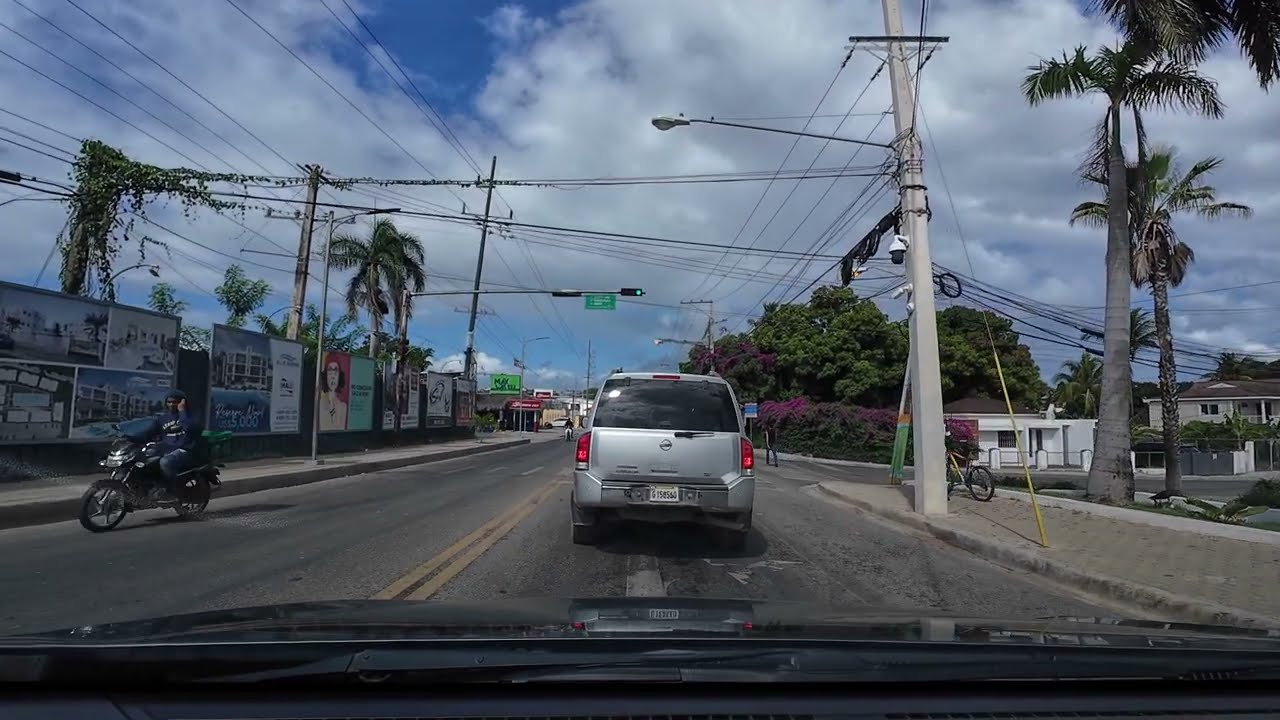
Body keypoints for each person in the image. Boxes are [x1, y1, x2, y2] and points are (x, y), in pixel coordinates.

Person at [156, 389, 202, 499]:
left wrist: (182, 411)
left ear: (183, 402)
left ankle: (172, 491)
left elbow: (189, 427)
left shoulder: (190, 416)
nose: (171, 404)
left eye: (175, 402)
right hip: (167, 449)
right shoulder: (162, 418)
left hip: (185, 450)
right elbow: (155, 433)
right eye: (169, 402)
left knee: (165, 462)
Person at [317, 359, 348, 431]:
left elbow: (339, 428)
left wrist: (333, 403)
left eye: (336, 373)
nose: (333, 377)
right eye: (330, 373)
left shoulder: (343, 406)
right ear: (326, 376)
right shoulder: (320, 403)